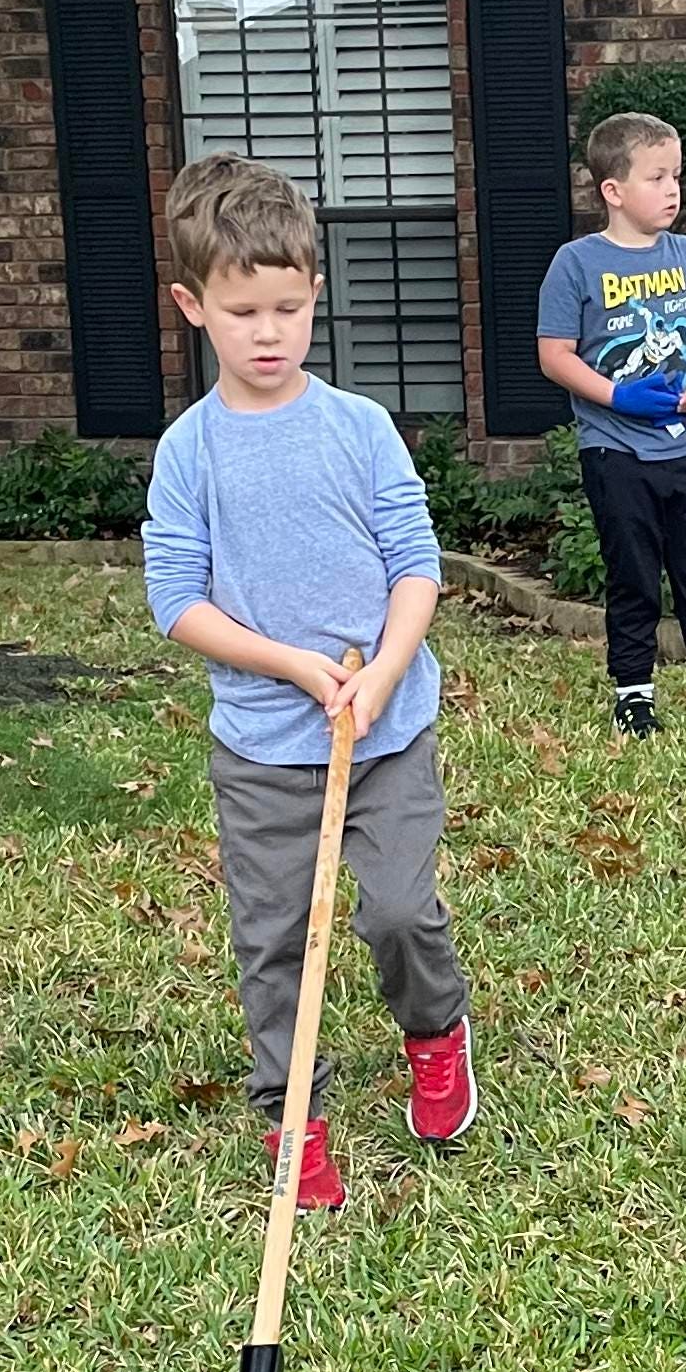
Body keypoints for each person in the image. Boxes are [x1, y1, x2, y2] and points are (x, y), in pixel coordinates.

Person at [140, 151, 478, 1210]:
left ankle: (436, 1031)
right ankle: (297, 1115)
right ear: (195, 307)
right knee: (276, 939)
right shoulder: (190, 451)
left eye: (289, 306)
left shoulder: (357, 428)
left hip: (383, 733)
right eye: (245, 312)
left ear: (315, 296)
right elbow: (175, 600)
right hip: (262, 750)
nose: (271, 332)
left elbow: (416, 565)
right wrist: (289, 664)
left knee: (396, 912)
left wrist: (382, 671)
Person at [537, 112, 686, 739]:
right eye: (656, 177)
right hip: (614, 450)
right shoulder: (575, 263)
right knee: (634, 573)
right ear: (612, 191)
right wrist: (618, 395)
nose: (672, 189)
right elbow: (554, 354)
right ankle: (634, 692)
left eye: (676, 176)